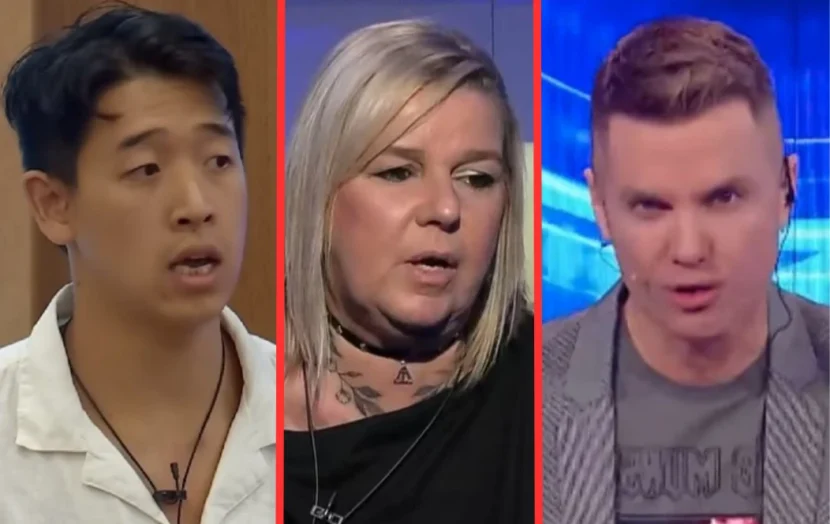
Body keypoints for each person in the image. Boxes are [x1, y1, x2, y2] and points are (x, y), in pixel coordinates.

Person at [542, 16, 829, 524]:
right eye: (650, 206)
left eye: (724, 197)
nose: (690, 249)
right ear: (600, 206)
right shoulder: (520, 398)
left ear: (786, 191)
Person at [0, 5, 275, 524]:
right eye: (147, 169)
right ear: (53, 205)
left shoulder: (319, 417)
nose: (197, 205)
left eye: (219, 160)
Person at [283, 19, 534, 524]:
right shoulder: (232, 383)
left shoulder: (553, 396)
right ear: (320, 195)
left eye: (476, 178)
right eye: (398, 172)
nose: (445, 209)